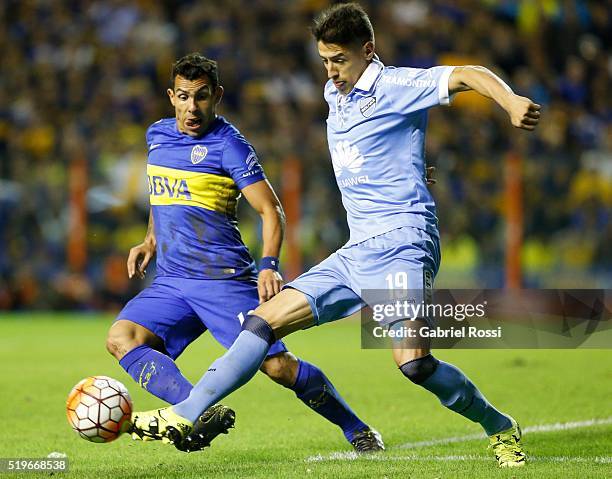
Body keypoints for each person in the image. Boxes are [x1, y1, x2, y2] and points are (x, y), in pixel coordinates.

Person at [131, 4, 540, 468]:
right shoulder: (335, 93)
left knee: (414, 364)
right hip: (356, 249)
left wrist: (511, 102)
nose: (331, 70)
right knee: (262, 323)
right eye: (325, 60)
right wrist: (409, 165)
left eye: (340, 59)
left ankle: (499, 426)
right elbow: (379, 148)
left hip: (403, 243)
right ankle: (184, 413)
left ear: (368, 50)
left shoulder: (396, 86)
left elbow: (466, 73)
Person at [108, 52, 384, 452]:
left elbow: (271, 211)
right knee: (121, 337)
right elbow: (160, 196)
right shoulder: (158, 136)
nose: (192, 107)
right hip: (172, 281)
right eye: (183, 96)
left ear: (216, 96)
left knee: (277, 367)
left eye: (201, 97)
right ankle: (197, 413)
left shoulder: (229, 146)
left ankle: (356, 428)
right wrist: (151, 239)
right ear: (171, 96)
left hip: (223, 282)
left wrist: (269, 265)